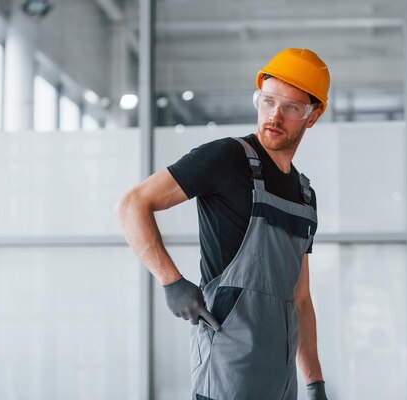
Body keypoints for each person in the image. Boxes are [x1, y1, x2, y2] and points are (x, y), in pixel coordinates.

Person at [115, 48, 329, 400]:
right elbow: (132, 204)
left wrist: (315, 382)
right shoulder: (227, 158)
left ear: (313, 115)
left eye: (291, 107)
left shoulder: (305, 196)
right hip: (228, 369)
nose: (274, 116)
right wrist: (172, 282)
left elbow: (301, 299)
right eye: (267, 101)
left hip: (282, 380)